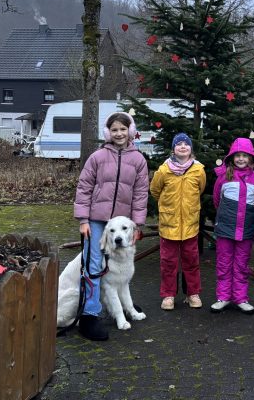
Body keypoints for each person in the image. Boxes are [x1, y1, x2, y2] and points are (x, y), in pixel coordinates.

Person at [73, 111, 149, 340]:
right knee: (94, 264)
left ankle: (122, 305)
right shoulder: (97, 157)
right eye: (114, 129)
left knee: (120, 266)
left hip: (123, 224)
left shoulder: (138, 160)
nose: (118, 133)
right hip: (97, 219)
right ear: (108, 132)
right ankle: (89, 315)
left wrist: (137, 225)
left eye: (123, 129)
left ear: (130, 132)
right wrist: (83, 220)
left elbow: (140, 193)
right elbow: (84, 187)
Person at [150, 133, 206, 311]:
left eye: (186, 144)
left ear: (191, 149)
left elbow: (200, 189)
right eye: (179, 144)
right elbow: (155, 190)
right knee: (168, 262)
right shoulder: (163, 170)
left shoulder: (198, 170)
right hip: (169, 225)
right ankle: (168, 295)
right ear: (173, 149)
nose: (183, 147)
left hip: (190, 224)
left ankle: (193, 293)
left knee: (191, 261)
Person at [211, 137, 254, 314]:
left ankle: (241, 298)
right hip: (225, 228)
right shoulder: (223, 177)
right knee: (224, 263)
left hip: (246, 229)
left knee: (241, 264)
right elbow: (217, 199)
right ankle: (223, 297)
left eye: (245, 156)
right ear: (232, 157)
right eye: (237, 155)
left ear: (251, 158)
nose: (241, 159)